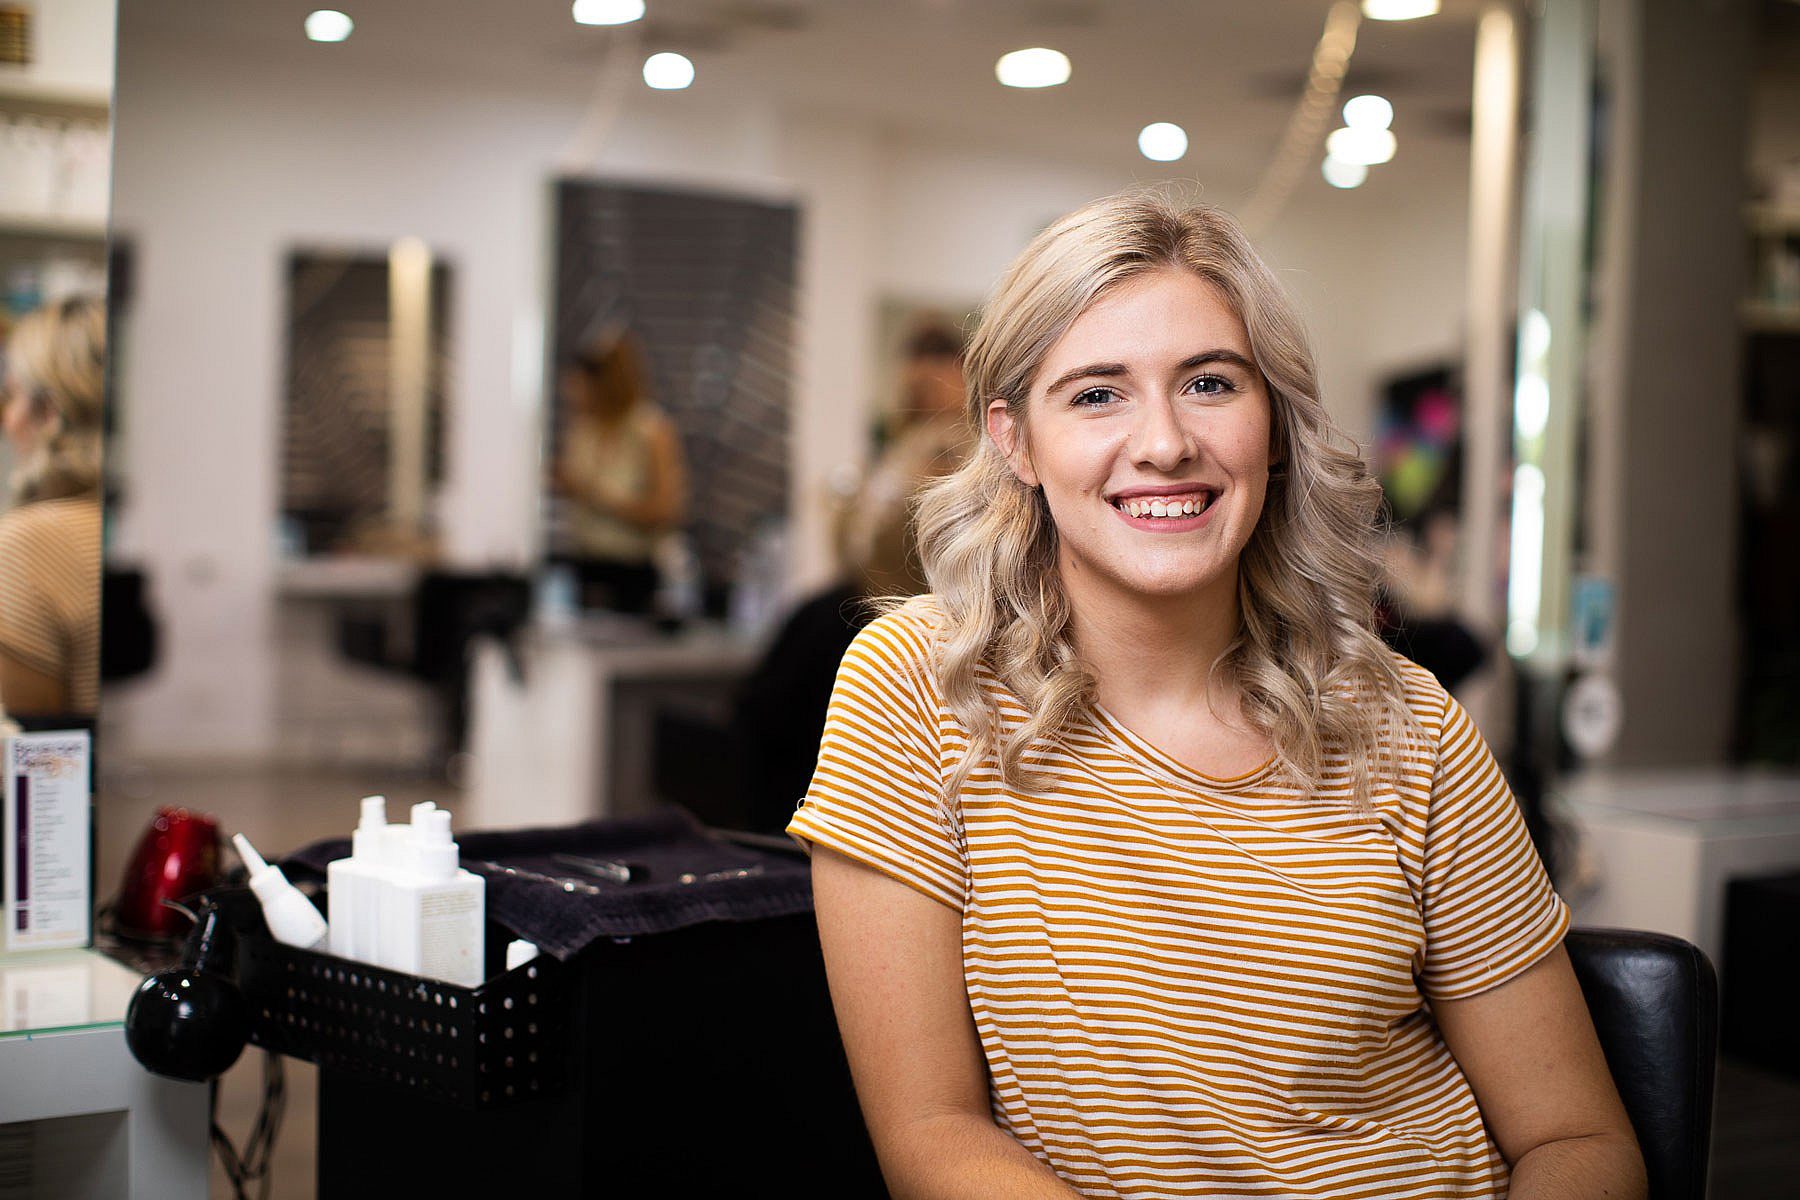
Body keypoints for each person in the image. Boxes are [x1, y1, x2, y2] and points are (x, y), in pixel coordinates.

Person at [786, 194, 1644, 1199]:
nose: (1164, 443)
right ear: (1015, 441)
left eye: (1209, 383)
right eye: (1096, 394)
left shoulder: (1410, 725)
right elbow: (933, 1136)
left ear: (1272, 425)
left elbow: (1579, 1138)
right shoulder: (920, 686)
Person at [0, 297, 104, 718]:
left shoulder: (26, 545)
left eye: (11, 397)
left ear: (49, 412)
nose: (8, 420)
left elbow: (31, 742)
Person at [550, 329, 687, 614]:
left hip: (633, 571)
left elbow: (666, 510)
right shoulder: (582, 430)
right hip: (586, 563)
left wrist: (592, 495)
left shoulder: (650, 430)